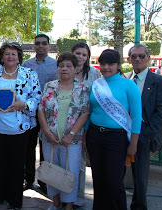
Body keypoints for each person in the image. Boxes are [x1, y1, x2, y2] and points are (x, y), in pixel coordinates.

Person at [0, 42, 41, 209]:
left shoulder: (29, 74)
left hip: (19, 128)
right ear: (2, 56)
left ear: (19, 57)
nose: (10, 57)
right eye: (7, 53)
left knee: (16, 166)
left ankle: (15, 200)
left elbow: (37, 96)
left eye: (13, 54)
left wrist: (25, 105)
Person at [85, 49, 142, 210]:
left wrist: (134, 144)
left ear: (118, 65)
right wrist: (86, 136)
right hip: (95, 136)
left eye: (110, 64)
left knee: (114, 182)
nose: (106, 67)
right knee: (98, 179)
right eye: (103, 63)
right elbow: (90, 111)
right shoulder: (96, 85)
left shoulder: (129, 85)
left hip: (117, 139)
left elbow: (137, 117)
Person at [37, 52, 90, 210]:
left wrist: (71, 134)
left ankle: (69, 205)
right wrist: (46, 131)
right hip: (49, 138)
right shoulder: (50, 86)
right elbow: (41, 109)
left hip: (71, 141)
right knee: (52, 171)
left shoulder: (82, 89)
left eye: (69, 66)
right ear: (57, 68)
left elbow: (85, 113)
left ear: (75, 69)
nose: (65, 69)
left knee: (70, 173)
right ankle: (55, 202)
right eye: (61, 65)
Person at [126, 44, 162, 210]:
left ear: (148, 58)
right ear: (129, 59)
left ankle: (139, 206)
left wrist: (145, 136)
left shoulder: (160, 82)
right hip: (122, 134)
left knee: (140, 176)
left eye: (141, 56)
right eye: (134, 56)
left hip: (143, 136)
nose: (138, 59)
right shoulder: (125, 79)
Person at [22, 34, 57, 192]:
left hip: (49, 114)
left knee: (46, 148)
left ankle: (44, 181)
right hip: (29, 112)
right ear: (33, 46)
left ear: (49, 46)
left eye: (44, 44)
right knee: (28, 147)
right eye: (37, 44)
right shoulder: (26, 64)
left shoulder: (56, 65)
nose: (40, 46)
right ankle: (28, 179)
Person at [70, 41, 101, 207]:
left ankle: (78, 199)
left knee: (80, 163)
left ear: (88, 57)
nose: (80, 57)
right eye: (77, 53)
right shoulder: (64, 70)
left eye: (84, 54)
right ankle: (64, 197)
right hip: (66, 123)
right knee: (64, 163)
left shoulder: (94, 74)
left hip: (87, 124)